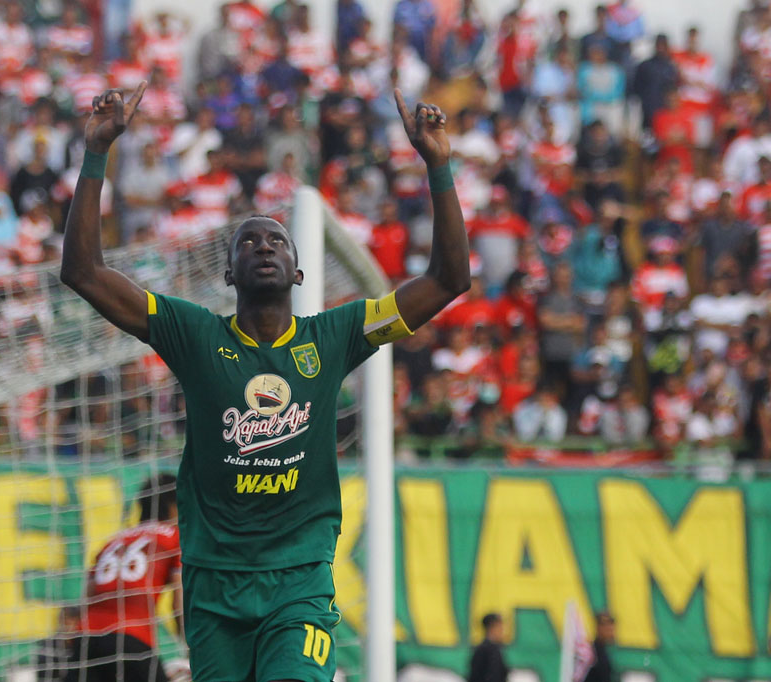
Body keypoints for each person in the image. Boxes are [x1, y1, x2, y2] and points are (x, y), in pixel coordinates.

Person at [60, 82, 469, 682]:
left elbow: (449, 277)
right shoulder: (194, 334)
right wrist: (97, 153)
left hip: (298, 579)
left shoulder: (336, 335)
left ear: (298, 269)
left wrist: (439, 167)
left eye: (276, 238)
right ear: (228, 271)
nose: (263, 246)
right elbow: (84, 271)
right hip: (212, 584)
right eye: (248, 240)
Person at [79, 473, 182, 682]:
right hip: (133, 638)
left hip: (87, 639)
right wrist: (187, 644)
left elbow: (88, 595)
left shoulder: (114, 541)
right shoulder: (174, 537)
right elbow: (179, 600)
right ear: (174, 504)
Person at [36, 607, 88, 682]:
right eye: (64, 619)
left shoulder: (86, 645)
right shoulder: (48, 645)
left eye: (72, 619)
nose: (68, 623)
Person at [468, 612, 509, 682]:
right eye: (500, 627)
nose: (502, 630)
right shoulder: (485, 650)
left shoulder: (494, 649)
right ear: (492, 628)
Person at [583, 611, 616, 682]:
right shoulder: (593, 652)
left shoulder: (603, 650)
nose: (610, 631)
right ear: (599, 628)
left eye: (611, 627)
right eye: (607, 628)